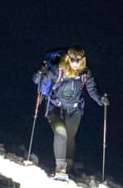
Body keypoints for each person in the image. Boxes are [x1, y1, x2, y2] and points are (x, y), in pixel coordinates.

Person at [32, 47, 109, 178]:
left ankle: (69, 166)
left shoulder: (85, 73)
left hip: (74, 108)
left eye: (77, 60)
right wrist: (40, 72)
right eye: (72, 59)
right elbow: (37, 81)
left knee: (70, 135)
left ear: (82, 60)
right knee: (61, 133)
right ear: (68, 57)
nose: (74, 62)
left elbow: (92, 88)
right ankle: (60, 169)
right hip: (54, 106)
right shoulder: (58, 69)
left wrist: (100, 100)